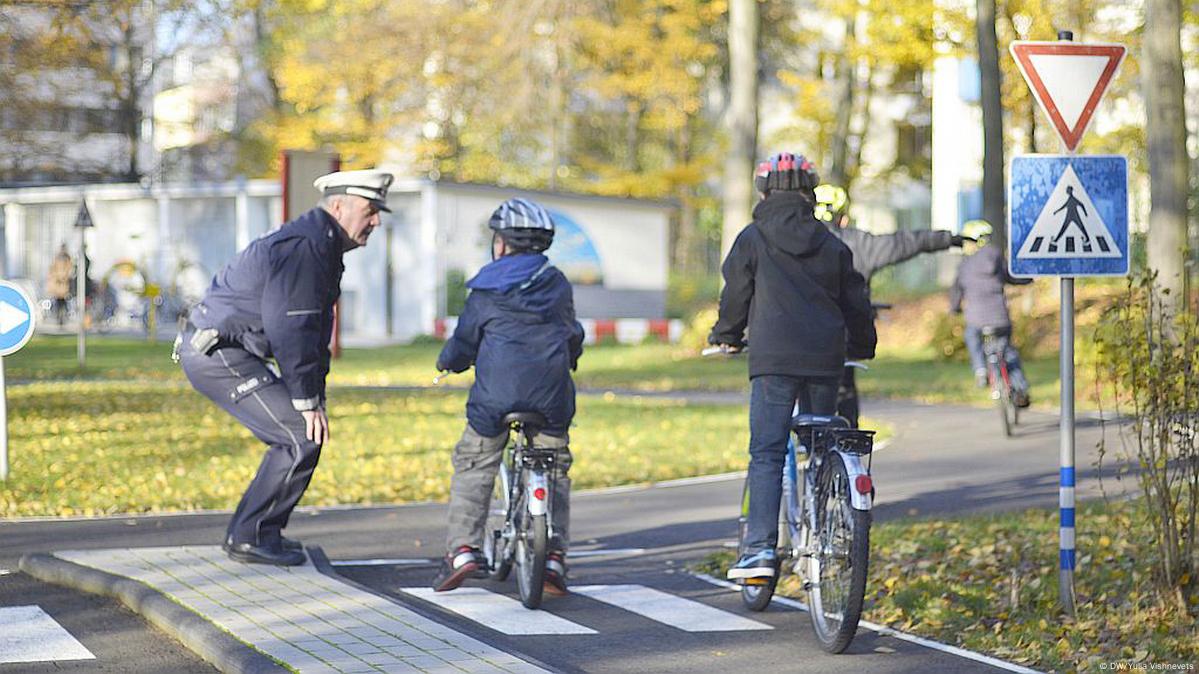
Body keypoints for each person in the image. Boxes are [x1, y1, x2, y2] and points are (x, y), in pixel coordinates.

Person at [177, 169, 393, 566]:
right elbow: (291, 329)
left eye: (378, 211)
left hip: (228, 351)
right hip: (218, 353)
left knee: (302, 433)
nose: (376, 220)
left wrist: (316, 398)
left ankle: (258, 532)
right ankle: (251, 536)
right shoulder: (307, 247)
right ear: (339, 206)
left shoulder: (322, 246)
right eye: (370, 209)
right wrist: (306, 402)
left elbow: (314, 333)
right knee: (299, 436)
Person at [709, 153, 876, 582]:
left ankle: (761, 551)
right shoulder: (832, 244)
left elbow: (736, 296)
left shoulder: (753, 238)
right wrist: (862, 345)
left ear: (764, 191)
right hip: (825, 361)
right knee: (820, 445)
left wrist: (727, 336)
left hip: (773, 362)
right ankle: (824, 530)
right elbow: (855, 301)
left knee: (766, 451)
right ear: (810, 191)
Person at [432, 197, 585, 595]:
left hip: (494, 399)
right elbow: (572, 333)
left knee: (475, 463)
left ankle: (463, 549)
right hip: (551, 397)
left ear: (501, 244)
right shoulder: (556, 283)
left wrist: (449, 362)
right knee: (554, 469)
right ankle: (553, 556)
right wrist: (572, 357)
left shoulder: (485, 289)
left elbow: (465, 340)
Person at [814, 184, 972, 426]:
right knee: (844, 395)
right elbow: (904, 242)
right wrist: (949, 239)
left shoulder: (797, 243)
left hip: (803, 338)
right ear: (843, 218)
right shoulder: (860, 244)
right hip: (844, 338)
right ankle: (849, 451)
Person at [949, 219, 1033, 408]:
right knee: (1008, 351)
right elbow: (1011, 277)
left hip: (976, 319)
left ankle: (980, 369)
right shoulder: (995, 257)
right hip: (1000, 317)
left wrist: (955, 308)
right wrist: (1029, 279)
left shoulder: (964, 266)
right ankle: (1020, 388)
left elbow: (956, 291)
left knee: (972, 336)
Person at [46, 244, 73, 327]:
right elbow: (53, 269)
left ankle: (63, 315)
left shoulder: (67, 258)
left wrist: (65, 277)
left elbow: (69, 269)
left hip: (63, 283)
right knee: (58, 301)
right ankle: (59, 316)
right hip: (58, 283)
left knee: (63, 301)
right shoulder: (57, 258)